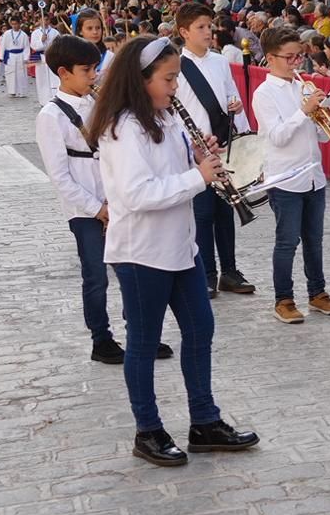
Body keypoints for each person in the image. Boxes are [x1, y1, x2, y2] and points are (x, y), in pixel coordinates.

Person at [87, 35, 259, 467]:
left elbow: (174, 171)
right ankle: (147, 429)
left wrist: (199, 157)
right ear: (141, 79)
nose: (175, 86)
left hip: (181, 245)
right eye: (168, 78)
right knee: (144, 343)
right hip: (141, 252)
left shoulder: (167, 118)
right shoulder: (123, 128)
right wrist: (198, 176)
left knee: (201, 330)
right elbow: (137, 194)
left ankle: (205, 421)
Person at [34, 35, 172, 365]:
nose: (94, 76)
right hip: (85, 209)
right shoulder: (51, 116)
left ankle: (140, 332)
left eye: (95, 68)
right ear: (64, 72)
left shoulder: (100, 103)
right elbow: (60, 177)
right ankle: (101, 338)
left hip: (118, 201)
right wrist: (97, 209)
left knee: (131, 271)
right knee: (96, 276)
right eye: (86, 70)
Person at [252, 25, 330, 324]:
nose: (296, 63)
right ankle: (283, 299)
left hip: (313, 174)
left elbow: (321, 136)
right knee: (287, 241)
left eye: (299, 56)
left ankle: (317, 293)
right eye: (289, 57)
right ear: (270, 58)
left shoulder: (302, 87)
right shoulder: (264, 94)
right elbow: (277, 136)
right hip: (285, 178)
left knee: (314, 240)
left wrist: (328, 116)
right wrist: (304, 111)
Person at [175, 2, 254, 297]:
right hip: (196, 150)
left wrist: (237, 111)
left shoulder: (220, 62)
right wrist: (189, 147)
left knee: (225, 211)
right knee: (203, 213)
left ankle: (229, 272)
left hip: (222, 143)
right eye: (201, 27)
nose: (208, 32)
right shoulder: (177, 66)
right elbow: (174, 112)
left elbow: (231, 96)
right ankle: (206, 273)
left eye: (209, 26)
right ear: (184, 32)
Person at [30, 16, 60, 104]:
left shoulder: (55, 32)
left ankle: (54, 98)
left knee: (54, 78)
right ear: (39, 20)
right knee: (42, 79)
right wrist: (41, 41)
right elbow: (33, 46)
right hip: (41, 57)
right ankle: (43, 100)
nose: (45, 22)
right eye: (42, 20)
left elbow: (59, 45)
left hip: (52, 56)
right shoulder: (35, 33)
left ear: (49, 20)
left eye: (46, 19)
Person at [0, 19, 32, 98]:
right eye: (13, 24)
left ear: (19, 24)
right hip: (10, 55)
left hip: (20, 55)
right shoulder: (7, 34)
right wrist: (1, 56)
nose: (14, 26)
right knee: (10, 73)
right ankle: (12, 91)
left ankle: (21, 91)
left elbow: (27, 47)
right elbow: (3, 45)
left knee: (21, 74)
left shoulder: (23, 35)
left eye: (16, 24)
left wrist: (26, 57)